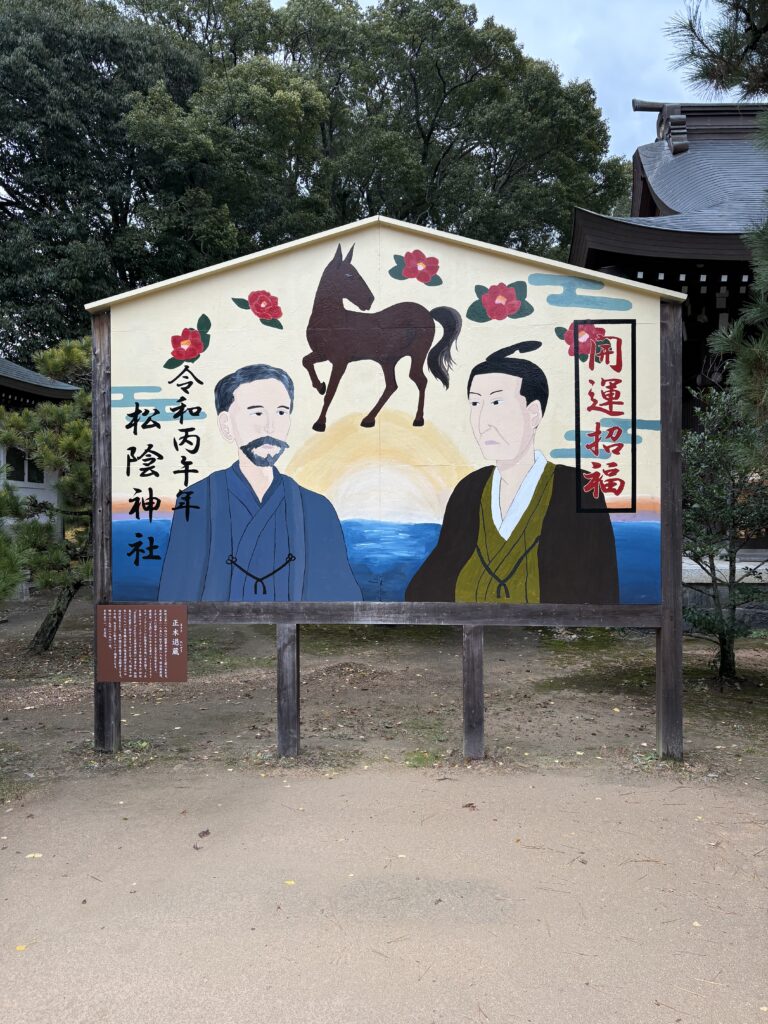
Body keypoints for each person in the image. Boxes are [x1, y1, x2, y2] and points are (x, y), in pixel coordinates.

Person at [405, 342, 619, 603]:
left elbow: (600, 589)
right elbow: (433, 577)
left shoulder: (577, 489)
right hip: (462, 637)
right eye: (474, 403)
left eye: (496, 402)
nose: (482, 420)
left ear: (533, 414)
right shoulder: (470, 489)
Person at [158, 364, 361, 601]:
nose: (270, 426)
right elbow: (177, 593)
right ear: (226, 425)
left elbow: (339, 598)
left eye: (281, 412)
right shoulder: (197, 500)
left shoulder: (316, 507)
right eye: (257, 413)